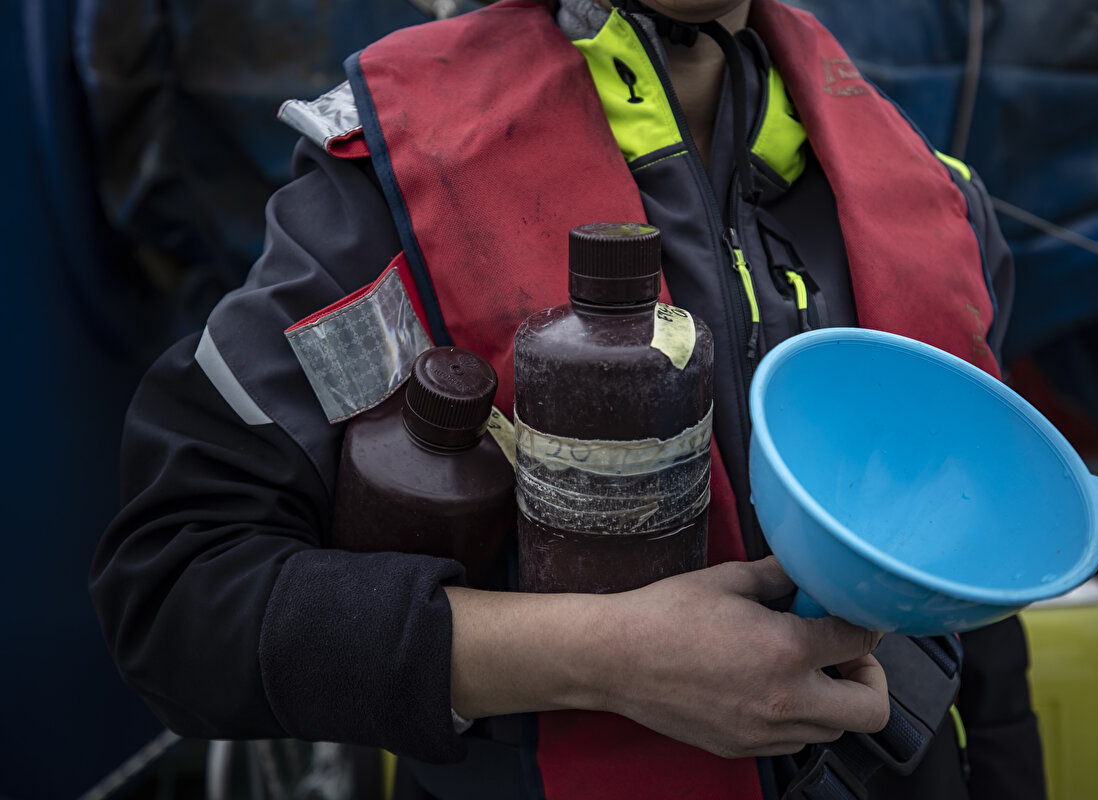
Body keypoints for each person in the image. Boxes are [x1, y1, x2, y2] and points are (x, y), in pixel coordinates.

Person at [90, 0, 1045, 797]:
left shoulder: (937, 202)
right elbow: (179, 598)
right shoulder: (382, 196)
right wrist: (602, 656)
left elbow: (980, 625)